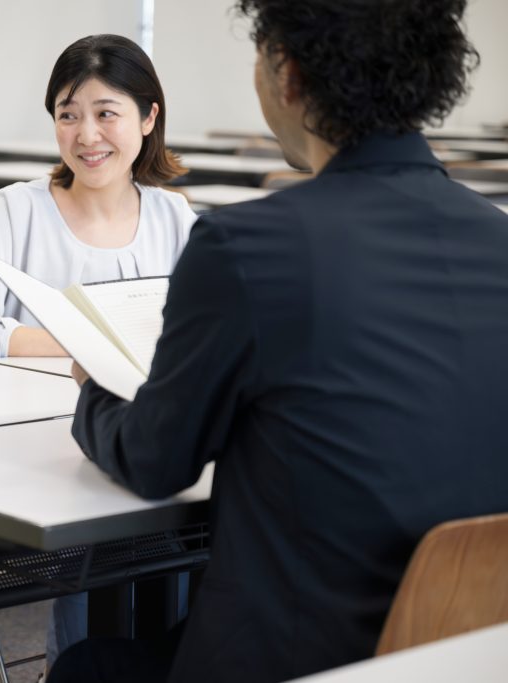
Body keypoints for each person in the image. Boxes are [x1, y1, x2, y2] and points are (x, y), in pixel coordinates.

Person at [51, 1, 508, 682]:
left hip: (298, 653)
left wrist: (94, 393)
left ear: (286, 74)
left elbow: (155, 460)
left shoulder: (247, 247)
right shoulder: (498, 239)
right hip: (467, 650)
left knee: (88, 669)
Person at [0, 34, 198, 669]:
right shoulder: (19, 209)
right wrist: (90, 344)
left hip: (146, 437)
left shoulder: (176, 216)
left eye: (106, 112)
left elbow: (198, 338)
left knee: (193, 550)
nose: (87, 135)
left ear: (149, 116)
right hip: (38, 447)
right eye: (67, 114)